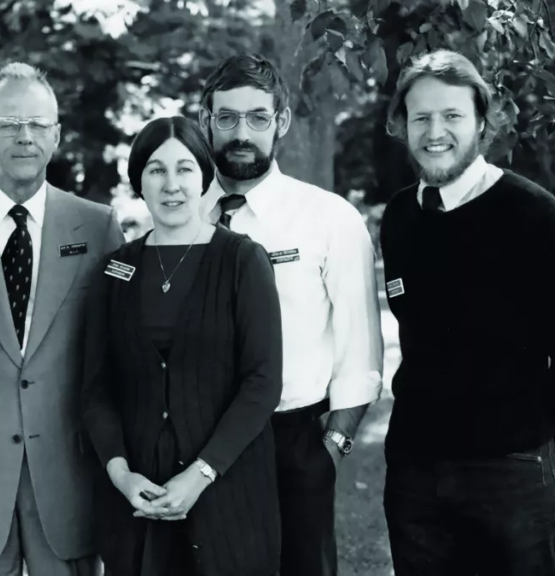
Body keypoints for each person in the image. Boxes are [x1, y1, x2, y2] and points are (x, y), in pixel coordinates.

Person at [380, 49, 555, 576]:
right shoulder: (399, 217)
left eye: (452, 115)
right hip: (414, 475)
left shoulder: (538, 218)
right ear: (403, 125)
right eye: (421, 117)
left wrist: (533, 441)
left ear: (483, 122)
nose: (434, 132)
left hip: (510, 477)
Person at [0, 62, 125, 576]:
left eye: (37, 124)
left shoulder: (98, 227)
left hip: (70, 481)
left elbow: (119, 353)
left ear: (56, 136)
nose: (24, 136)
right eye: (8, 124)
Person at [198, 52, 384, 576]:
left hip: (293, 441)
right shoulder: (181, 217)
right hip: (194, 441)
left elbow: (361, 352)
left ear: (280, 121)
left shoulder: (329, 218)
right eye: (227, 117)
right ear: (206, 120)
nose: (242, 133)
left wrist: (331, 449)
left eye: (258, 117)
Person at [82, 115, 283, 576]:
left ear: (204, 177)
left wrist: (200, 474)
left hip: (228, 498)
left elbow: (262, 382)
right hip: (137, 505)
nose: (171, 184)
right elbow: (95, 390)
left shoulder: (243, 260)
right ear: (139, 182)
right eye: (156, 170)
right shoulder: (114, 271)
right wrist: (121, 475)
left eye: (184, 168)